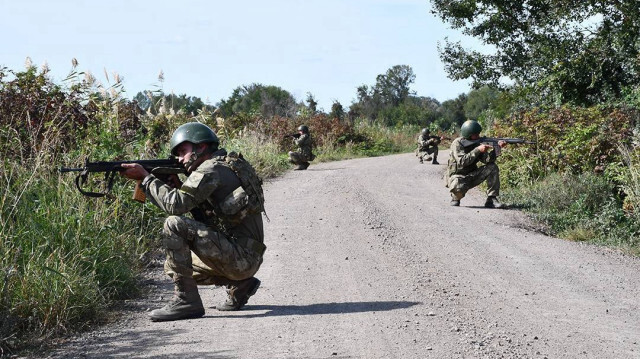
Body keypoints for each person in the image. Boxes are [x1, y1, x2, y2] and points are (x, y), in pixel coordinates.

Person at [120, 122, 266, 322]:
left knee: (173, 224)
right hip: (245, 257)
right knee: (172, 266)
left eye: (183, 151)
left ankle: (186, 301)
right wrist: (178, 185)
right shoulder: (226, 164)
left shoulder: (210, 169)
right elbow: (209, 216)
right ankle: (241, 285)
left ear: (201, 147)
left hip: (241, 259)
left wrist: (145, 179)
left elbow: (176, 206)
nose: (180, 159)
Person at [446, 120, 507, 208]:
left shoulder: (478, 142)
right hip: (457, 176)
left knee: (492, 167)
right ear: (468, 134)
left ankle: (491, 199)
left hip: (472, 175)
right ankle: (456, 198)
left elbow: (487, 161)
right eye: (475, 134)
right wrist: (478, 150)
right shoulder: (458, 143)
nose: (478, 136)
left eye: (478, 133)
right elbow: (462, 161)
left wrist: (497, 149)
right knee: (457, 184)